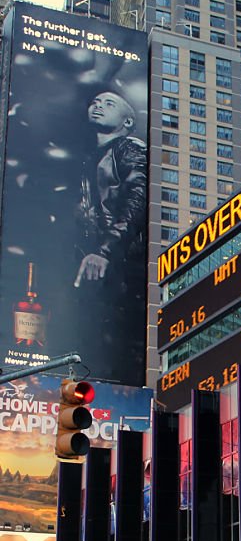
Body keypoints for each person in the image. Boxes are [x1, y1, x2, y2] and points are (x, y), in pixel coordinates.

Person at [75, 90, 148, 374]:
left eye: (109, 104)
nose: (98, 106)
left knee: (117, 350)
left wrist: (105, 250)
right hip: (102, 265)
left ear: (127, 121)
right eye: (94, 101)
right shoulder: (95, 155)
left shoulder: (129, 148)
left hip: (124, 268)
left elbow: (137, 200)